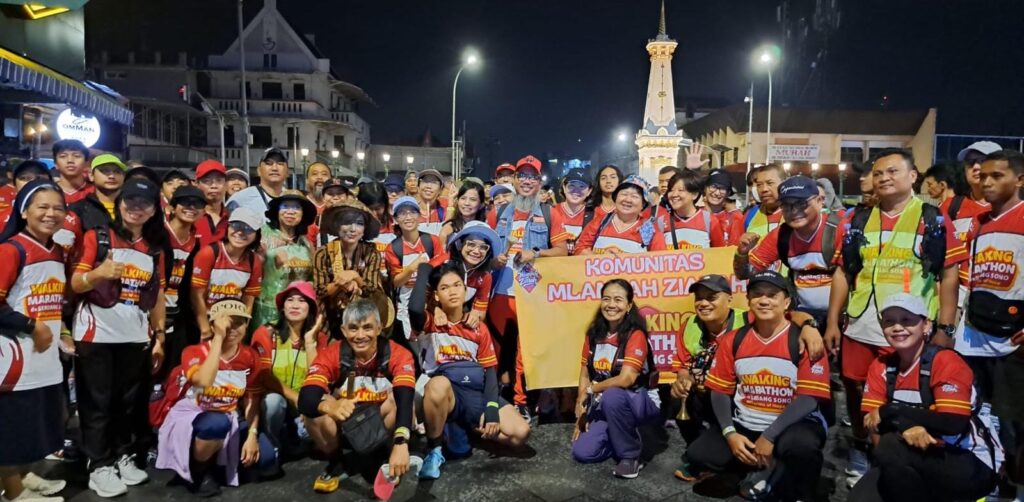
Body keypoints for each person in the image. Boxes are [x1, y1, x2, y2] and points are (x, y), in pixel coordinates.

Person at [825, 148, 967, 488]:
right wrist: (832, 322)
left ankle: (905, 456)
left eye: (892, 171)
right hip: (861, 323)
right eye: (878, 173)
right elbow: (843, 273)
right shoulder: (857, 220)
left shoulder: (933, 218)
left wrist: (946, 327)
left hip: (910, 329)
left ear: (913, 176)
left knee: (911, 393)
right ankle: (863, 448)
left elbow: (950, 274)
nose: (884, 178)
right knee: (856, 390)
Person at [685, 271, 831, 502]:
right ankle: (759, 467)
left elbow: (809, 398)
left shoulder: (805, 340)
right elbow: (720, 391)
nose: (764, 300)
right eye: (757, 295)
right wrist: (730, 433)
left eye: (772, 295)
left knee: (800, 448)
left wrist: (769, 437)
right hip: (747, 423)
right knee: (699, 454)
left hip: (791, 426)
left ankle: (800, 489)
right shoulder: (734, 339)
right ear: (749, 300)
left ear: (787, 302)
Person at [850, 294, 1000, 502]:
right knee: (860, 497)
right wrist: (905, 426)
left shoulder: (946, 361)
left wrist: (893, 412)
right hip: (911, 453)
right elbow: (872, 422)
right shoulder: (881, 366)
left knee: (890, 445)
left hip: (968, 460)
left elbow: (953, 423)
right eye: (889, 321)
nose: (897, 327)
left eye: (907, 320)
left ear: (926, 325)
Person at [69, 179, 167, 498]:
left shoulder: (153, 248)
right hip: (96, 333)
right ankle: (99, 465)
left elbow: (158, 294)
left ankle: (122, 455)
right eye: (130, 200)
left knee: (127, 403)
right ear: (119, 203)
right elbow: (75, 283)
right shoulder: (98, 238)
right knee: (97, 403)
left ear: (154, 210)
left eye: (144, 203)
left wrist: (160, 336)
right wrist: (99, 274)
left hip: (134, 335)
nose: (136, 208)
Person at [410, 262, 531, 479]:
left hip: (474, 392)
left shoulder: (478, 327)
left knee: (521, 434)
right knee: (438, 385)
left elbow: (490, 372)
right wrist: (424, 269)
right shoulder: (430, 322)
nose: (452, 291)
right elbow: (415, 309)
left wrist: (492, 410)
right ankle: (434, 449)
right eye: (444, 287)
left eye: (457, 285)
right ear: (436, 295)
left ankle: (471, 427)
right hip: (445, 393)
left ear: (466, 290)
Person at [155, 300, 274, 497]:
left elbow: (252, 398)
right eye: (226, 323)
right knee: (216, 423)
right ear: (213, 325)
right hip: (194, 415)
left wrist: (252, 435)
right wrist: (218, 339)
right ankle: (198, 471)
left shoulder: (250, 356)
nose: (232, 328)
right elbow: (203, 381)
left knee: (267, 460)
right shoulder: (193, 351)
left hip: (230, 415)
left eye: (239, 323)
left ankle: (216, 462)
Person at [957, 149, 1024, 498]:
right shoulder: (979, 223)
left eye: (997, 176)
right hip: (974, 337)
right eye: (983, 176)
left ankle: (1014, 487)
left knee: (1015, 426)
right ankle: (988, 480)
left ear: (1020, 179)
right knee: (978, 416)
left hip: (1012, 343)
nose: (986, 182)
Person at [298, 299, 417, 494]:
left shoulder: (398, 353)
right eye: (353, 328)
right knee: (317, 407)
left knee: (400, 399)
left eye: (367, 327)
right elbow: (305, 399)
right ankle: (336, 462)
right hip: (346, 423)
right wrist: (329, 407)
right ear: (344, 331)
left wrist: (401, 442)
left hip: (380, 423)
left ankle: (389, 454)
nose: (360, 336)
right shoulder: (332, 353)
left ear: (379, 328)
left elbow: (405, 398)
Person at [0, 180, 70, 502]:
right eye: (42, 206)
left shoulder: (56, 251)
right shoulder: (11, 249)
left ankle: (24, 476)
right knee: (11, 427)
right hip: (14, 354)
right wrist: (31, 325)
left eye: (58, 207)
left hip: (43, 354)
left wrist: (61, 331)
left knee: (34, 423)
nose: (51, 213)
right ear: (24, 211)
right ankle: (13, 493)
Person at [486, 155, 571, 421]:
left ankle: (521, 402)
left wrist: (535, 253)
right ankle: (493, 401)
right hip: (500, 293)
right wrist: (494, 260)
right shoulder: (498, 212)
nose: (526, 181)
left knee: (526, 352)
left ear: (539, 182)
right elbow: (482, 251)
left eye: (532, 177)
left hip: (532, 294)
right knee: (496, 350)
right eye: (522, 175)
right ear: (514, 180)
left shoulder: (549, 213)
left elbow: (562, 251)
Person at [570, 279, 659, 479]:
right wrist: (582, 408)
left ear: (628, 306)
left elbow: (626, 379)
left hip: (640, 399)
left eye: (618, 300)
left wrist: (590, 391)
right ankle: (620, 435)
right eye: (606, 299)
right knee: (582, 452)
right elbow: (584, 372)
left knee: (612, 395)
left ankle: (630, 456)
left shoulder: (635, 334)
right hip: (605, 402)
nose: (611, 305)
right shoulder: (594, 334)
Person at [737, 175, 844, 326]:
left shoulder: (840, 229)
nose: (794, 211)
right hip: (803, 316)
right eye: (786, 206)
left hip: (843, 318)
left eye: (801, 204)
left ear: (820, 201)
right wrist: (741, 253)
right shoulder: (781, 235)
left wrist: (833, 322)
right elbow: (745, 274)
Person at [250, 281, 328, 465]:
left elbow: (319, 377)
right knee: (273, 402)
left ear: (311, 308)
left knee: (326, 413)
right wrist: (297, 398)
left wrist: (309, 343)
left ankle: (295, 440)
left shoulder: (319, 338)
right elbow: (264, 376)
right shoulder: (266, 333)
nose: (295, 305)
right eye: (290, 300)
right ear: (282, 307)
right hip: (273, 406)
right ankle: (273, 444)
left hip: (301, 410)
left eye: (302, 301)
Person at [311, 200, 386, 340]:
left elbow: (372, 290)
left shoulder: (371, 253)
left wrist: (354, 275)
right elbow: (319, 291)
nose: (353, 229)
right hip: (330, 317)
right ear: (337, 225)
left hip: (363, 316)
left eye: (359, 223)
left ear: (364, 229)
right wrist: (341, 283)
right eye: (346, 222)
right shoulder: (323, 253)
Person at [190, 207, 264, 341]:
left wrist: (242, 329)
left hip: (234, 323)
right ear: (228, 228)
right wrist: (205, 328)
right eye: (236, 226)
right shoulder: (209, 253)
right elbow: (196, 295)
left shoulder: (254, 261)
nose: (240, 232)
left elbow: (249, 300)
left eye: (248, 229)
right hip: (205, 321)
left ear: (256, 235)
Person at [385, 196, 447, 340]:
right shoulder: (393, 248)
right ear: (395, 219)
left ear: (419, 216)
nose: (408, 217)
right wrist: (413, 267)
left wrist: (437, 306)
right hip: (406, 305)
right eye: (402, 213)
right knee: (413, 342)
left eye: (412, 212)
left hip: (432, 300)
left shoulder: (432, 241)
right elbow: (396, 282)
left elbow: (441, 274)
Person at [253, 190, 315, 328]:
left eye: (296, 208)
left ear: (303, 213)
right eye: (285, 206)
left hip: (296, 312)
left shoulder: (306, 243)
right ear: (277, 211)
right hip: (267, 310)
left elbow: (312, 278)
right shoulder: (262, 235)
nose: (290, 212)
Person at [162, 186, 205, 372]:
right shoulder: (158, 234)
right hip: (151, 313)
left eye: (197, 204)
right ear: (172, 207)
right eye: (185, 203)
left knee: (175, 371)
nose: (191, 207)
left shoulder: (196, 242)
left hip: (178, 314)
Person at [574, 175, 667, 255]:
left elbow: (660, 261)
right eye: (624, 194)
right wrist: (601, 260)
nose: (628, 199)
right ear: (615, 198)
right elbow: (579, 249)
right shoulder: (599, 223)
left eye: (634, 196)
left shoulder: (651, 230)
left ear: (643, 204)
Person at [55, 154, 128, 254]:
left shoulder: (133, 210)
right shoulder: (77, 210)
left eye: (117, 172)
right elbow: (62, 249)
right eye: (105, 171)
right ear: (91, 175)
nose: (111, 176)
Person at [443, 221, 501, 328]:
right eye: (471, 244)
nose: (476, 251)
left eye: (483, 247)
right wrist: (437, 311)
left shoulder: (485, 277)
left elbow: (480, 313)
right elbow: (425, 301)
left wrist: (474, 316)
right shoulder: (443, 264)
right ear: (459, 244)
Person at [657, 169, 726, 250]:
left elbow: (721, 253)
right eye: (671, 190)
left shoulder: (709, 221)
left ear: (695, 195)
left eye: (680, 190)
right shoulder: (661, 222)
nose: (674, 194)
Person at [227, 147, 290, 219]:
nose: (274, 168)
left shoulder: (294, 199)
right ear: (259, 171)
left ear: (287, 172)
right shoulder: (240, 199)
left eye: (280, 164)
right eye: (268, 163)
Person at [0, 161, 53, 227]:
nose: (32, 182)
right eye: (25, 178)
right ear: (15, 184)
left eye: (40, 178)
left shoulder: (59, 218)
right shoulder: (2, 219)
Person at [551, 169, 592, 254]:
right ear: (564, 187)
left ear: (589, 191)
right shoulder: (551, 212)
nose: (576, 191)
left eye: (582, 187)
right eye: (572, 186)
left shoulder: (594, 216)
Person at [193, 160, 230, 248]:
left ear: (226, 185)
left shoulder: (233, 217)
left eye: (219, 180)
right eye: (207, 181)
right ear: (196, 184)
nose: (214, 186)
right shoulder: (188, 216)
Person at [743, 163, 786, 238]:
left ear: (784, 184)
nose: (764, 189)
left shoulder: (797, 214)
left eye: (770, 183)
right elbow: (735, 244)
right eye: (759, 185)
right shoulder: (750, 215)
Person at [307, 178, 352, 247]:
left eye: (340, 193)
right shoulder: (316, 222)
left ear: (347, 197)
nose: (335, 197)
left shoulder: (357, 219)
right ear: (323, 198)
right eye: (330, 193)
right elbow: (310, 247)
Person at [438, 181, 486, 245]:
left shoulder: (486, 229)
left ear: (481, 205)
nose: (467, 203)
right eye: (463, 198)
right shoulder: (447, 230)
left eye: (473, 199)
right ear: (457, 201)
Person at [704, 168, 744, 246]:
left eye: (722, 188)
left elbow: (734, 248)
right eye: (713, 186)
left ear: (728, 193)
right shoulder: (694, 213)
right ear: (705, 188)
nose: (717, 193)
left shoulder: (735, 217)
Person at [53, 139, 93, 205]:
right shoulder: (47, 191)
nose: (70, 160)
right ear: (55, 164)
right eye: (63, 156)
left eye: (77, 156)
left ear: (86, 163)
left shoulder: (96, 192)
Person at [414, 169, 447, 236]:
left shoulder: (446, 210)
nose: (428, 186)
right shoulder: (410, 211)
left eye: (434, 182)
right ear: (418, 187)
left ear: (440, 189)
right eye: (425, 181)